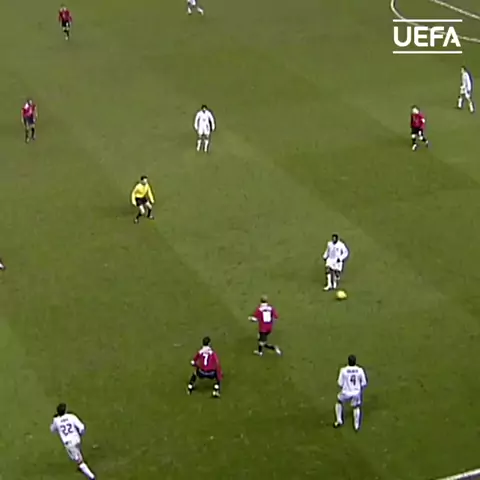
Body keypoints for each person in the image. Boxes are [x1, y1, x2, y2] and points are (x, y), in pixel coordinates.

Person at [50, 403, 96, 479]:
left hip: (69, 443)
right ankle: (81, 467)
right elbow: (82, 427)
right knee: (78, 451)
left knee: (78, 460)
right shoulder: (71, 416)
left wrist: (54, 421)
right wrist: (81, 434)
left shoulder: (56, 421)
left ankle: (91, 477)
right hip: (77, 439)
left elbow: (52, 430)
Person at [334, 355, 368, 431]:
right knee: (356, 407)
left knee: (339, 402)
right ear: (355, 361)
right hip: (356, 393)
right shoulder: (360, 370)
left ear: (348, 361)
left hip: (346, 392)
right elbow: (364, 383)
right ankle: (356, 426)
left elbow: (340, 383)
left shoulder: (343, 370)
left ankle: (339, 420)